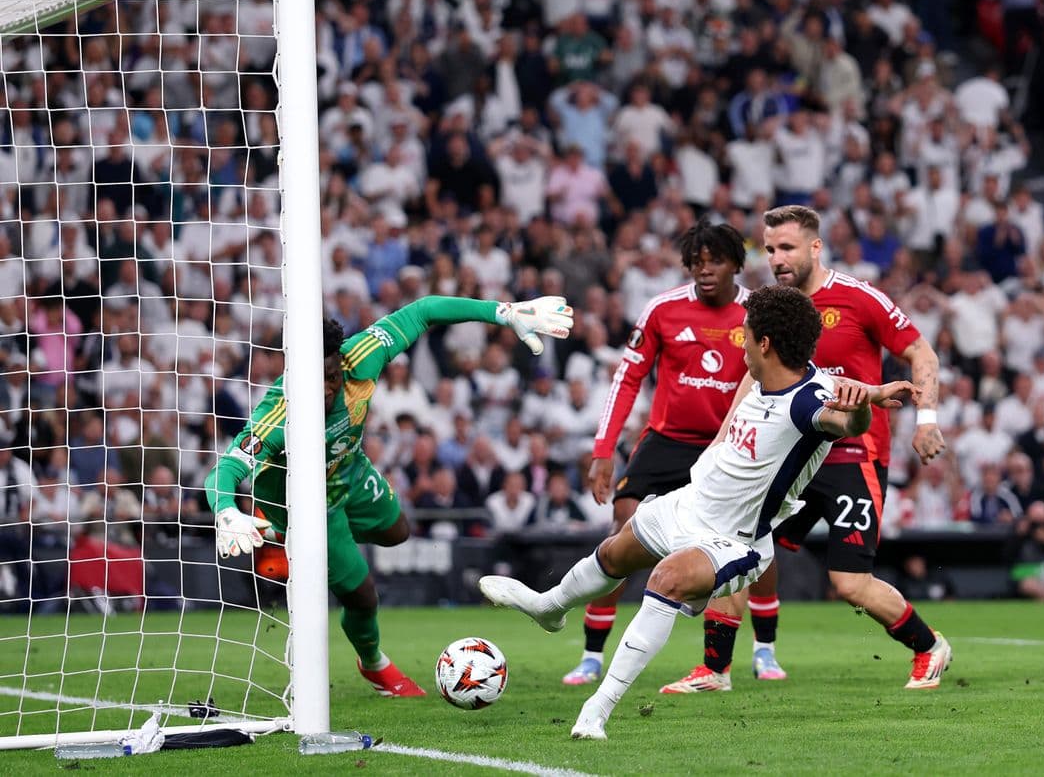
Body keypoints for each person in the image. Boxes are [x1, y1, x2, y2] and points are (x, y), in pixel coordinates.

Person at [479, 285, 922, 739]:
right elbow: (841, 389)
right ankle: (548, 608)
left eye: (745, 334)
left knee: (666, 579)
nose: (741, 342)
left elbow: (845, 421)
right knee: (613, 555)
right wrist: (872, 390)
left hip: (734, 539)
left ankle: (597, 708)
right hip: (688, 505)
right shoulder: (783, 377)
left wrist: (864, 412)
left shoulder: (807, 402)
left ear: (764, 343)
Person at [204, 295, 572, 697]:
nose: (327, 389)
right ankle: (374, 662)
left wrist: (502, 313)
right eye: (317, 380)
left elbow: (423, 310)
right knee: (363, 595)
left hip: (351, 471)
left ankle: (286, 540)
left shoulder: (363, 353)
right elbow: (225, 469)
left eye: (332, 376)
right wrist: (224, 511)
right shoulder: (279, 412)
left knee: (399, 530)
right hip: (310, 506)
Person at [664, 204, 947, 693]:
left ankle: (928, 647)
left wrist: (927, 420)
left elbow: (921, 352)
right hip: (787, 457)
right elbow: (751, 378)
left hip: (851, 455)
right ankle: (715, 670)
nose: (776, 258)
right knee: (728, 546)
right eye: (769, 249)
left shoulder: (859, 299)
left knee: (849, 584)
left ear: (816, 247)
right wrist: (721, 442)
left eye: (787, 247)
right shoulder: (770, 304)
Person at [560, 219, 749, 686]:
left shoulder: (757, 313)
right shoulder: (662, 310)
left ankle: (748, 655)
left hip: (726, 446)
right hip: (665, 441)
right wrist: (603, 450)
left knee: (737, 546)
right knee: (622, 531)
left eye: (715, 261)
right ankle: (590, 654)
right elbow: (626, 378)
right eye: (696, 263)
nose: (705, 271)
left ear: (736, 265)